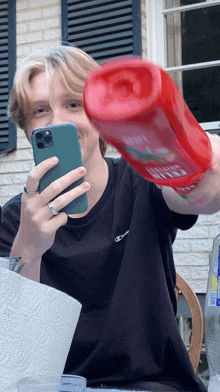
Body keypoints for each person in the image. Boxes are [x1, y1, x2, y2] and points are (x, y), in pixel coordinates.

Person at [1, 45, 220, 392]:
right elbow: (18, 353)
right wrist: (29, 246)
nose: (57, 122)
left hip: (154, 385)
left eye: (73, 104)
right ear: (27, 129)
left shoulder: (143, 182)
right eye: (41, 111)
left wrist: (204, 163)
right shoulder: (17, 218)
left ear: (100, 119)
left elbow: (200, 194)